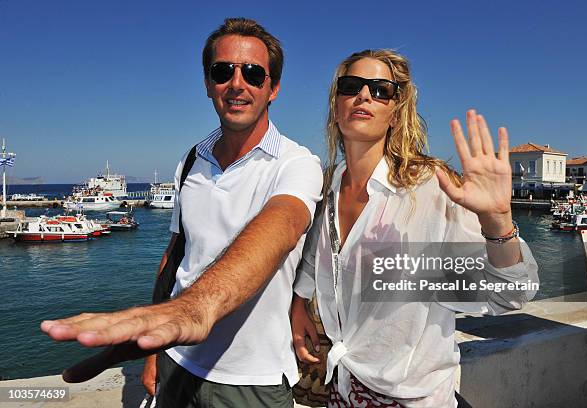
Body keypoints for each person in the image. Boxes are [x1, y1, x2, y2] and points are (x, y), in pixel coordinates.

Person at [41, 18, 323, 408]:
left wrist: (197, 308)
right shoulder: (192, 160)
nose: (237, 84)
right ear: (208, 84)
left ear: (272, 88)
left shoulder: (296, 164)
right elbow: (175, 258)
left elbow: (283, 225)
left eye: (254, 73)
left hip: (251, 378)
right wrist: (157, 351)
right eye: (223, 71)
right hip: (178, 362)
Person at [291, 49, 539, 407]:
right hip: (343, 390)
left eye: (380, 90)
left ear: (395, 113)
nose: (364, 96)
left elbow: (510, 293)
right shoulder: (327, 187)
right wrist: (299, 302)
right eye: (351, 86)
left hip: (411, 399)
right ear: (336, 105)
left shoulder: (429, 190)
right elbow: (315, 258)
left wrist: (497, 219)